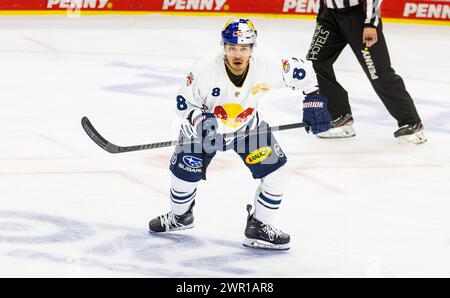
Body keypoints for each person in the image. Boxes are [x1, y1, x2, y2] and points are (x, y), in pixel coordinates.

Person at [148, 19, 331, 250]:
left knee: (279, 174)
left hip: (247, 128)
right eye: (232, 48)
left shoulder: (268, 64)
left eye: (244, 48)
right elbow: (184, 104)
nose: (237, 54)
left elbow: (304, 71)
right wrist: (199, 119)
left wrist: (313, 98)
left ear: (252, 48)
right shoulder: (205, 68)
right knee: (183, 178)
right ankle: (179, 217)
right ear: (224, 47)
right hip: (201, 133)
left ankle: (259, 228)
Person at [307, 0, 426, 144]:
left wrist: (370, 23)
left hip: (359, 17)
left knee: (378, 73)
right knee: (316, 62)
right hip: (329, 17)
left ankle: (411, 123)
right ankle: (340, 117)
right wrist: (322, 14)